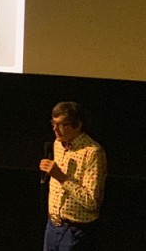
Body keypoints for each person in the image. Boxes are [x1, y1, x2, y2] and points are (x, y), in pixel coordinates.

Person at [39, 102, 107, 250]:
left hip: (75, 231)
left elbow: (92, 202)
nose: (55, 129)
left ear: (77, 125)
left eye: (62, 124)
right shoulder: (57, 143)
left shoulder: (93, 153)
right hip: (52, 226)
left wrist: (61, 177)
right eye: (53, 123)